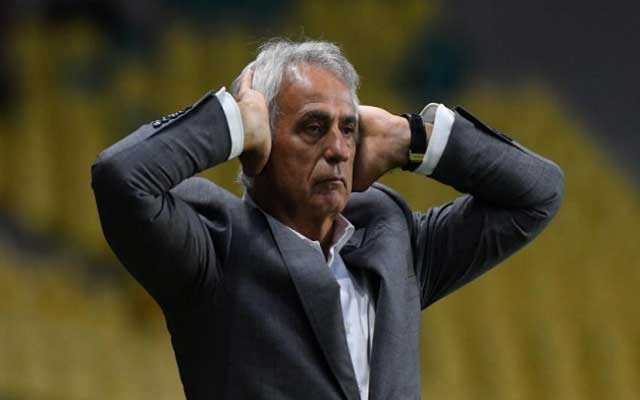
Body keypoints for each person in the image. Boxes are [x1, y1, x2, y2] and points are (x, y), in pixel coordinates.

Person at [91, 39, 564, 400]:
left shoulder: (396, 243)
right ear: (262, 139)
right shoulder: (214, 250)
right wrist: (234, 122)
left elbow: (537, 194)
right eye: (313, 128)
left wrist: (409, 137)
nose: (338, 149)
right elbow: (121, 177)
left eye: (349, 128)